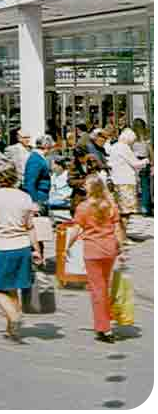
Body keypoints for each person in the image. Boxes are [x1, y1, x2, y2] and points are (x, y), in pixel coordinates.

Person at [0, 160, 42, 343]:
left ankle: (14, 317)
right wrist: (36, 249)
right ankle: (11, 329)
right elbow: (30, 226)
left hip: (4, 247)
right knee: (13, 289)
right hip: (23, 247)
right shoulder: (24, 197)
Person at [66, 175, 126, 343]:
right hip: (109, 249)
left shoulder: (83, 207)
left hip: (93, 251)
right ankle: (105, 321)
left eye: (86, 184)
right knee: (104, 286)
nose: (83, 186)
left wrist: (67, 246)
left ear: (91, 188)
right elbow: (117, 228)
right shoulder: (111, 205)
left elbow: (76, 229)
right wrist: (121, 248)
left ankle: (104, 328)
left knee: (97, 289)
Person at [108, 128, 149, 237]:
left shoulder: (114, 146)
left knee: (119, 210)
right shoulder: (124, 148)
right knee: (126, 211)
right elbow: (135, 163)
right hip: (126, 181)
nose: (132, 144)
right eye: (132, 141)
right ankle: (122, 237)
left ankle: (119, 235)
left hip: (116, 180)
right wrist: (146, 161)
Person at [22, 135, 54, 212]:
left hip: (42, 196)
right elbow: (29, 183)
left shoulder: (39, 158)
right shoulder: (36, 159)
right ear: (46, 146)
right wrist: (34, 202)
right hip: (38, 198)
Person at [132, 118, 154, 216]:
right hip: (144, 162)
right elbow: (150, 151)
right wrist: (153, 162)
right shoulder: (146, 138)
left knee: (134, 186)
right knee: (145, 186)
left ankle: (135, 207)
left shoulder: (132, 139)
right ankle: (145, 208)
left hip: (134, 161)